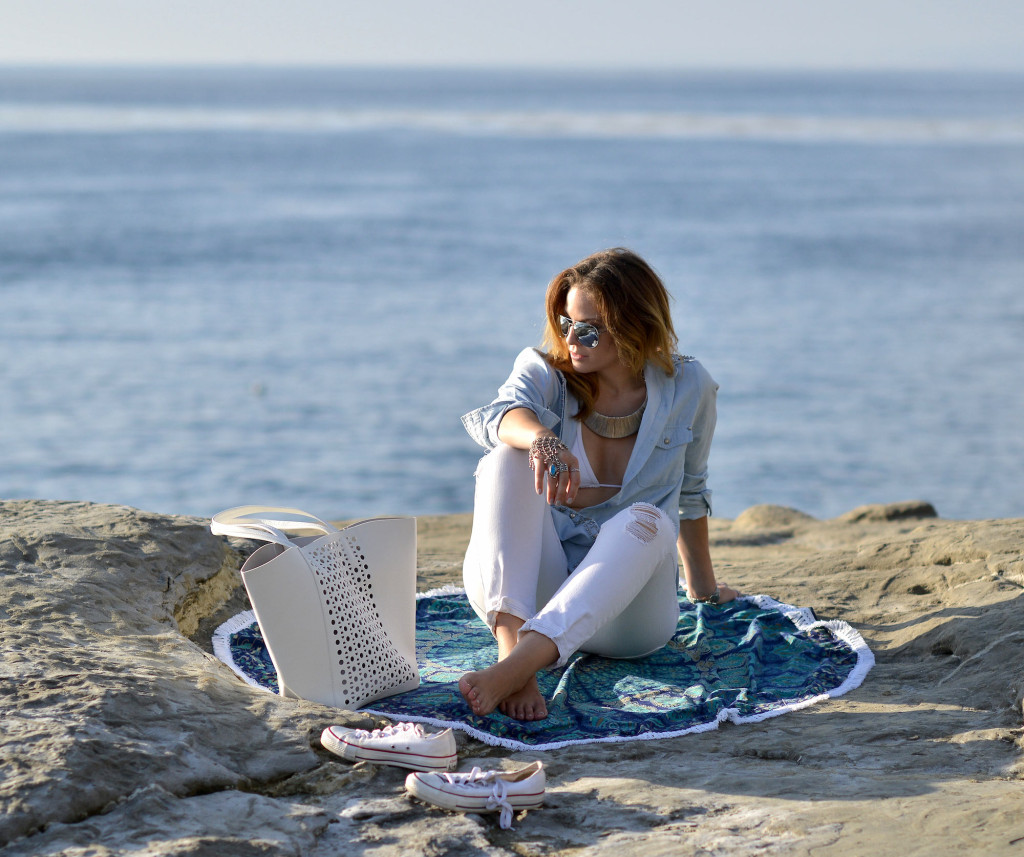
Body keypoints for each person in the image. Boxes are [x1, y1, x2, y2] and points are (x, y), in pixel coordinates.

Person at [459, 248, 738, 721]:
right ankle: (515, 658)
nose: (572, 338)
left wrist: (704, 589)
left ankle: (520, 662)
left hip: (627, 619)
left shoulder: (690, 386)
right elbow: (499, 416)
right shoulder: (546, 371)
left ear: (634, 326)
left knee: (646, 518)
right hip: (530, 596)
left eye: (587, 329)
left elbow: (691, 494)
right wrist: (543, 440)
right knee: (507, 457)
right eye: (566, 323)